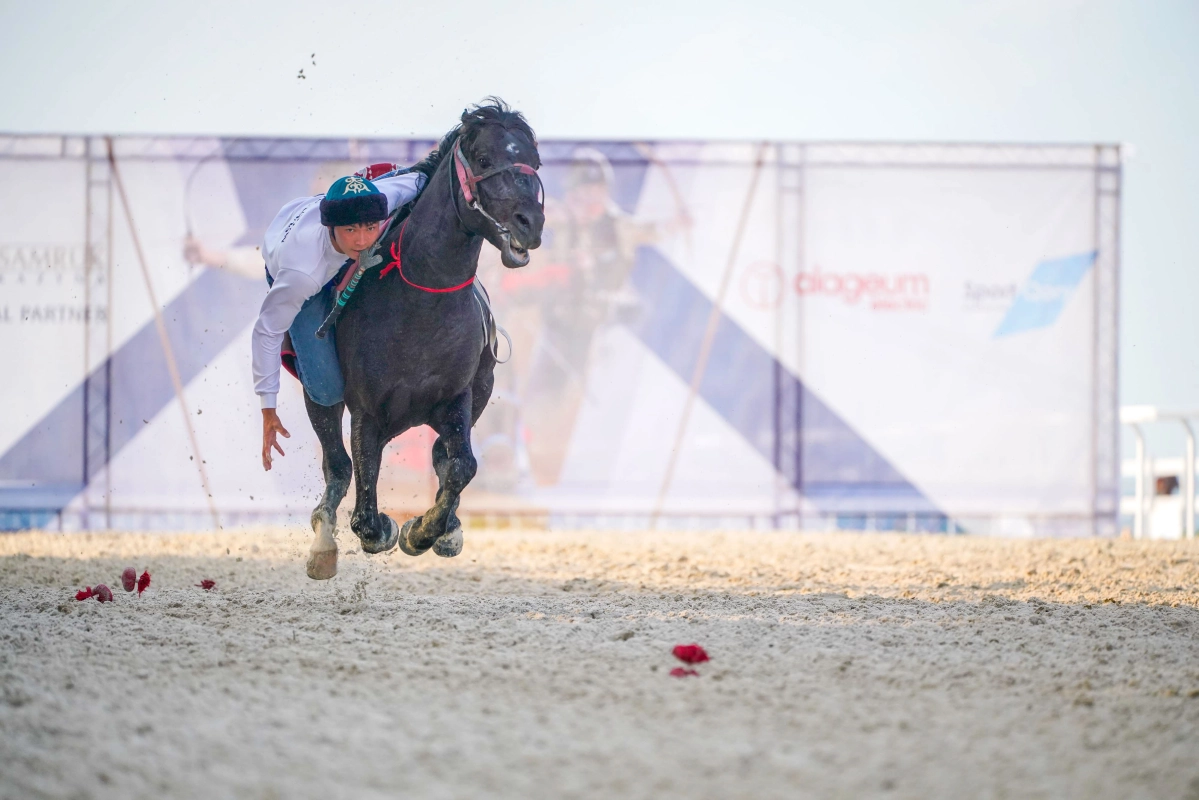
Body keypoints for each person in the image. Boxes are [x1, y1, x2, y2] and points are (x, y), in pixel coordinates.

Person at [254, 169, 425, 471]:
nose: (361, 240)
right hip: (301, 269)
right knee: (327, 390)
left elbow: (423, 177)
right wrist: (268, 408)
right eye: (350, 230)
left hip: (318, 223)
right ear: (331, 227)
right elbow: (266, 331)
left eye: (370, 227)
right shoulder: (302, 274)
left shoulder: (385, 197)